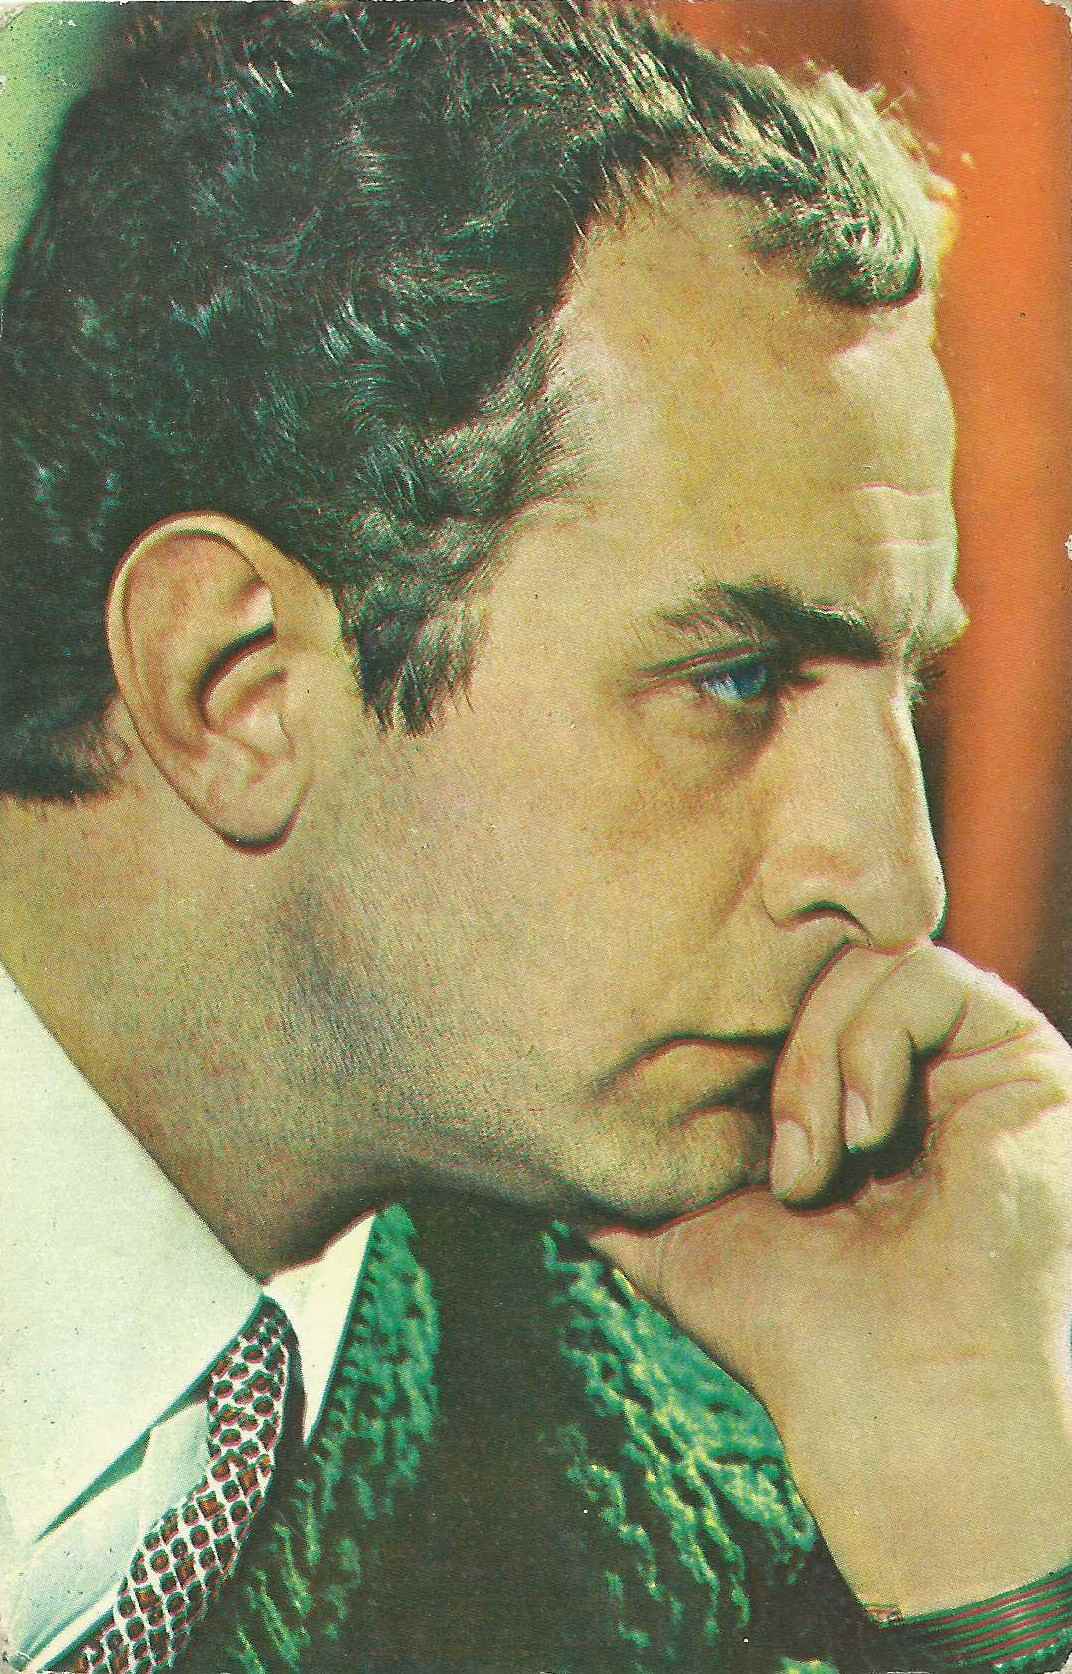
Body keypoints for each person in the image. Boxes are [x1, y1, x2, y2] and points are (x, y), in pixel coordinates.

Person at [2, 2, 1072, 1669]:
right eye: (736, 678)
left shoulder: (709, 1510)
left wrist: (994, 1558)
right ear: (236, 686)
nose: (896, 884)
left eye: (904, 691)